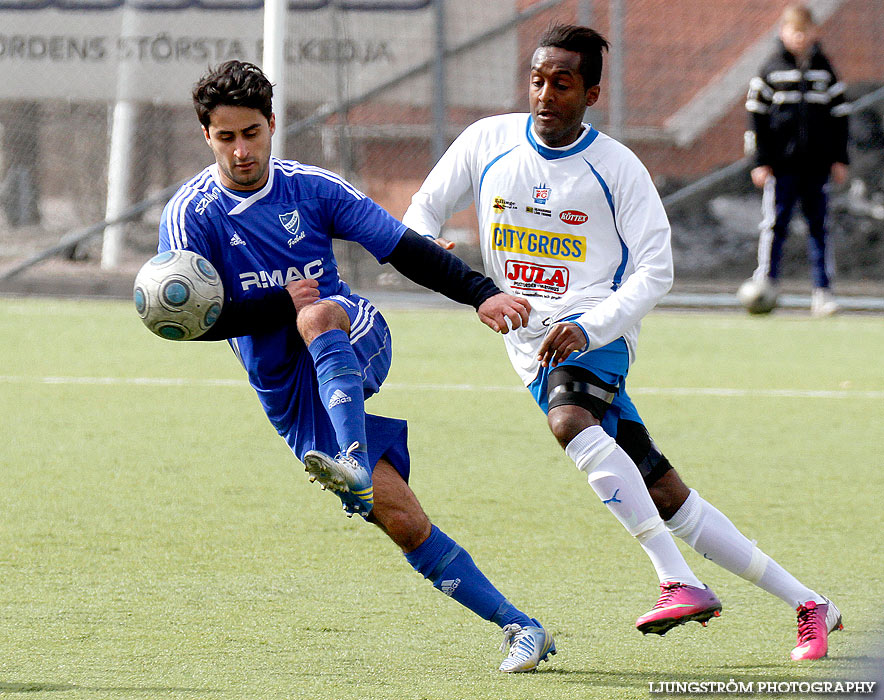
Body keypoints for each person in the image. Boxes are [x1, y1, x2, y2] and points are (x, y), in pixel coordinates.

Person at [403, 24, 842, 661]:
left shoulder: (617, 168)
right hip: (528, 348)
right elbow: (421, 210)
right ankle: (810, 603)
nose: (545, 95)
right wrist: (431, 248)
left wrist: (593, 326)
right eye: (537, 80)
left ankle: (678, 580)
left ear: (592, 93)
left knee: (569, 420)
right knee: (664, 491)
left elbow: (655, 268)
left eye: (563, 83)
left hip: (595, 332)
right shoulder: (486, 142)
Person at [155, 60, 555, 673]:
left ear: (271, 126)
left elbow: (403, 249)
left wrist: (481, 293)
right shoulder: (192, 216)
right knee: (403, 521)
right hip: (288, 392)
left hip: (350, 333)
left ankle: (350, 460)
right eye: (227, 137)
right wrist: (275, 303)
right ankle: (522, 627)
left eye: (252, 133)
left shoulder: (312, 188)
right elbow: (192, 321)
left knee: (316, 316)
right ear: (206, 135)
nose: (241, 150)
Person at [745, 4, 850, 317]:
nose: (801, 37)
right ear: (783, 33)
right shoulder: (770, 70)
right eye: (795, 31)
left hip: (817, 167)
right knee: (775, 225)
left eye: (806, 31)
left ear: (815, 33)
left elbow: (840, 117)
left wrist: (839, 158)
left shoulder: (825, 71)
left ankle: (823, 292)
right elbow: (756, 120)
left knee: (820, 227)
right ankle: (767, 284)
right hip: (782, 167)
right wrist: (759, 161)